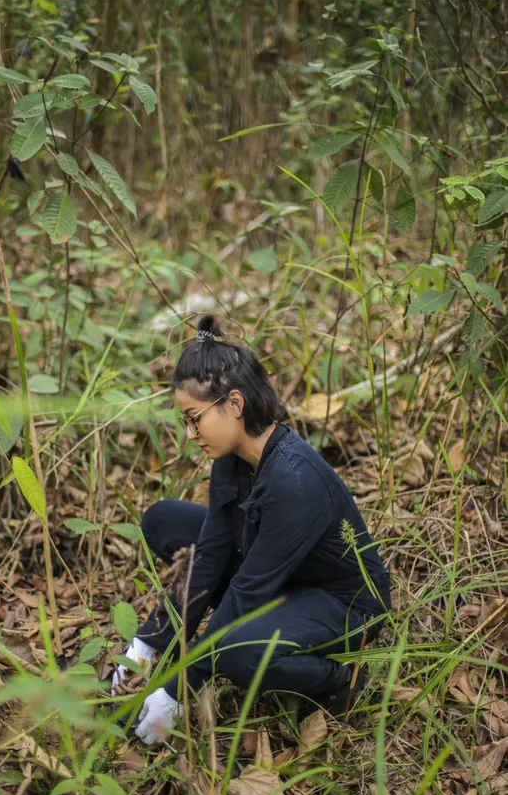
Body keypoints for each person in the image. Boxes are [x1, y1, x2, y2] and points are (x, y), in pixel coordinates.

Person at [112, 315, 391, 744]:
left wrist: (177, 690)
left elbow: (247, 592)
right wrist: (151, 643)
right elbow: (210, 553)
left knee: (235, 650)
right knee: (163, 521)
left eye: (194, 418)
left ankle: (341, 679)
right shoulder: (231, 457)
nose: (191, 434)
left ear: (235, 404)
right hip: (279, 572)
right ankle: (240, 632)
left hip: (343, 601)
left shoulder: (294, 481)